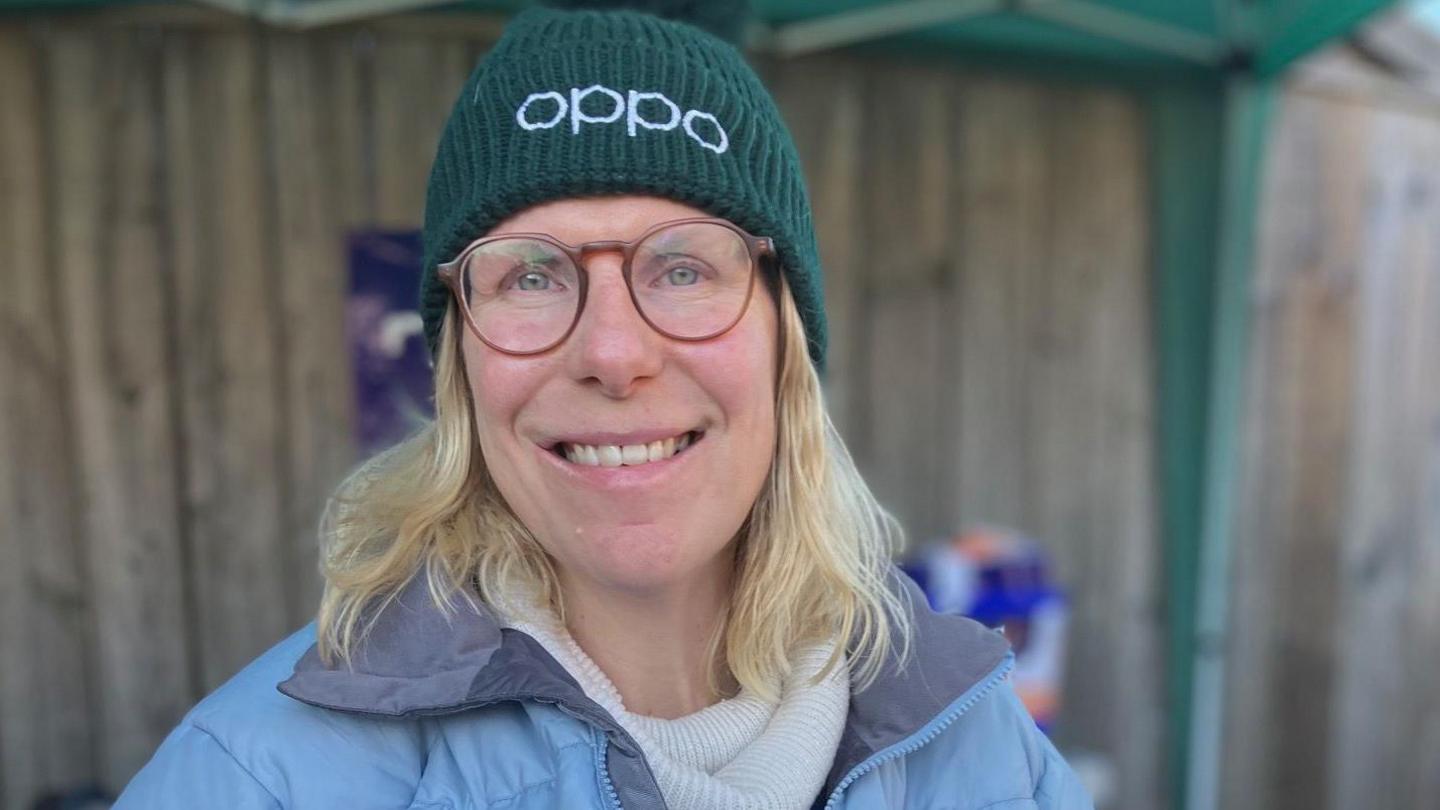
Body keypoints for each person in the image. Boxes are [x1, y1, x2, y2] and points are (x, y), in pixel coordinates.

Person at [115, 1, 1093, 807]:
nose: (614, 352)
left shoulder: (975, 745)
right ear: (459, 363)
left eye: (682, 267)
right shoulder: (258, 781)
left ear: (784, 343)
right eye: (531, 277)